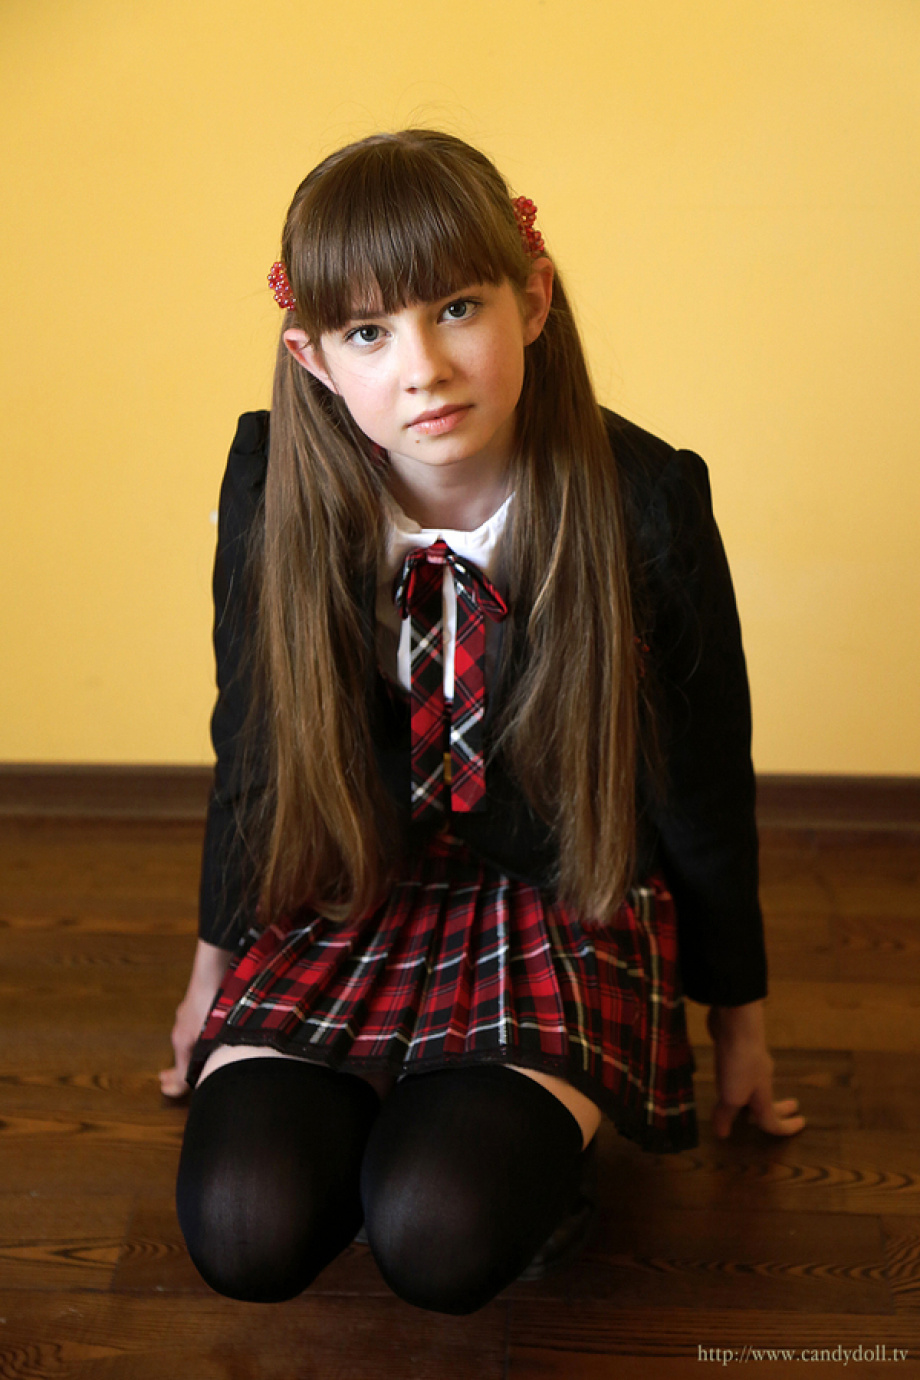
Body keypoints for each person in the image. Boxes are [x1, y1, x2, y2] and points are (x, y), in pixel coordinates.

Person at [160, 129, 804, 1315]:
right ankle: (381, 1106)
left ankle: (518, 1155)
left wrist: (738, 1020)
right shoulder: (271, 483)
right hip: (358, 876)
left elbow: (704, 781)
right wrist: (212, 968)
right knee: (246, 1225)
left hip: (561, 883)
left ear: (533, 298)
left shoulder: (644, 500)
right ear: (311, 357)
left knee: (437, 1231)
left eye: (455, 308)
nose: (421, 368)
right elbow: (248, 740)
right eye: (367, 333)